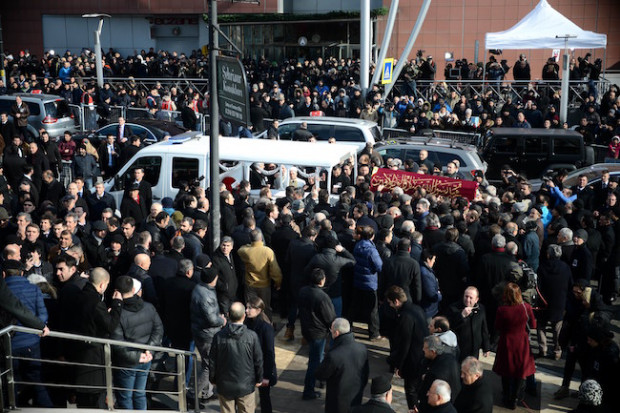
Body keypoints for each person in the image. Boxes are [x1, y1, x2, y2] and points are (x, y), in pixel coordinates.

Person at [3, 259, 53, 407]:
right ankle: (47, 409)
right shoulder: (34, 289)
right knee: (36, 379)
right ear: (23, 272)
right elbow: (43, 315)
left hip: (9, 343)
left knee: (12, 382)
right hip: (32, 342)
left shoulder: (3, 290)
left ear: (3, 274)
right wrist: (38, 329)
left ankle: (13, 408)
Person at [72, 267, 123, 409]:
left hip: (80, 351)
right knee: (95, 399)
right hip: (93, 355)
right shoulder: (95, 301)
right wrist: (117, 304)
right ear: (102, 284)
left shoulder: (80, 295)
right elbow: (110, 325)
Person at [111, 276, 163, 410]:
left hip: (127, 362)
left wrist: (138, 356)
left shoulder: (117, 313)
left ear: (116, 291)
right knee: (140, 394)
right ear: (134, 289)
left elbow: (117, 343)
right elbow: (158, 330)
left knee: (125, 397)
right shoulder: (149, 307)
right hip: (146, 359)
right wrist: (149, 351)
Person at [209, 302, 263, 413]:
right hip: (246, 385)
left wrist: (213, 379)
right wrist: (259, 379)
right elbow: (258, 360)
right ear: (244, 316)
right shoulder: (252, 336)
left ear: (228, 315)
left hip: (224, 385)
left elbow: (213, 361)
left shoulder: (218, 336)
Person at [492, 282, 536, 410]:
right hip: (522, 343)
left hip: (506, 342)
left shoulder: (502, 310)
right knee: (520, 371)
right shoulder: (526, 307)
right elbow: (533, 325)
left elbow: (497, 326)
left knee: (506, 371)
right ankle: (515, 398)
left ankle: (506, 396)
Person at [385, 285, 429, 411]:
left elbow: (404, 344)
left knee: (411, 390)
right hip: (422, 356)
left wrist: (398, 365)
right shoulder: (417, 309)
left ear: (396, 301)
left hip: (413, 359)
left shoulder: (404, 317)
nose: (390, 306)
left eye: (390, 303)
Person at [188, 266, 226, 404]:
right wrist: (222, 320)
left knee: (209, 363)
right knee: (207, 365)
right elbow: (211, 319)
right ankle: (193, 394)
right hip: (207, 334)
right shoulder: (205, 295)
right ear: (212, 279)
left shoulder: (201, 288)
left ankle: (206, 392)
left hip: (203, 332)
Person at [315, 318, 368, 413]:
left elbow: (321, 375)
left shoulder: (334, 355)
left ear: (336, 333)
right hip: (356, 396)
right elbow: (366, 373)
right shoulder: (362, 348)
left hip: (337, 400)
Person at [298, 268, 336, 400]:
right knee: (314, 361)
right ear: (321, 281)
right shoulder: (322, 297)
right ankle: (309, 390)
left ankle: (320, 380)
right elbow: (330, 317)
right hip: (318, 332)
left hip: (307, 329)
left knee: (317, 357)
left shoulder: (303, 291)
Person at [536, 244, 572, 360]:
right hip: (559, 302)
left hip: (544, 301)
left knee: (541, 326)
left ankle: (543, 349)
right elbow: (570, 284)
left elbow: (538, 286)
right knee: (557, 328)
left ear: (548, 254)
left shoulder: (542, 267)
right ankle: (557, 351)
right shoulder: (565, 267)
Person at [237, 229, 282, 320]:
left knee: (250, 307)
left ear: (250, 238)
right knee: (265, 308)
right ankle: (267, 324)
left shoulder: (245, 251)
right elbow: (275, 271)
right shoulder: (268, 251)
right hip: (264, 285)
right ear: (261, 238)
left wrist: (250, 245)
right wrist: (278, 282)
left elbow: (240, 250)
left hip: (250, 284)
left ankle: (252, 325)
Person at [245, 296, 277, 413]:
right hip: (249, 367)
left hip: (262, 369)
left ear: (258, 310)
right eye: (246, 307)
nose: (246, 310)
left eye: (250, 308)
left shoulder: (266, 327)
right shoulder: (247, 323)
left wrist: (267, 376)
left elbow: (269, 353)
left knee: (264, 398)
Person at [352, 225, 383, 340]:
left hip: (358, 281)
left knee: (355, 306)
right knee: (372, 310)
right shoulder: (371, 250)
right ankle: (374, 333)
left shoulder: (357, 245)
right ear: (372, 236)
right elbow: (379, 266)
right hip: (370, 283)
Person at [418, 335, 461, 413]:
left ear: (433, 351)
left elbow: (425, 396)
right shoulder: (451, 358)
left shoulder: (434, 374)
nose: (423, 350)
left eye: (425, 348)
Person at [447, 286, 490, 361]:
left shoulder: (481, 309)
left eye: (471, 298)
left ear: (476, 300)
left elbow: (484, 328)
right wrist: (462, 316)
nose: (467, 300)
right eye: (466, 296)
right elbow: (450, 327)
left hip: (474, 349)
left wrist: (486, 347)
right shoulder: (454, 308)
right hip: (460, 348)